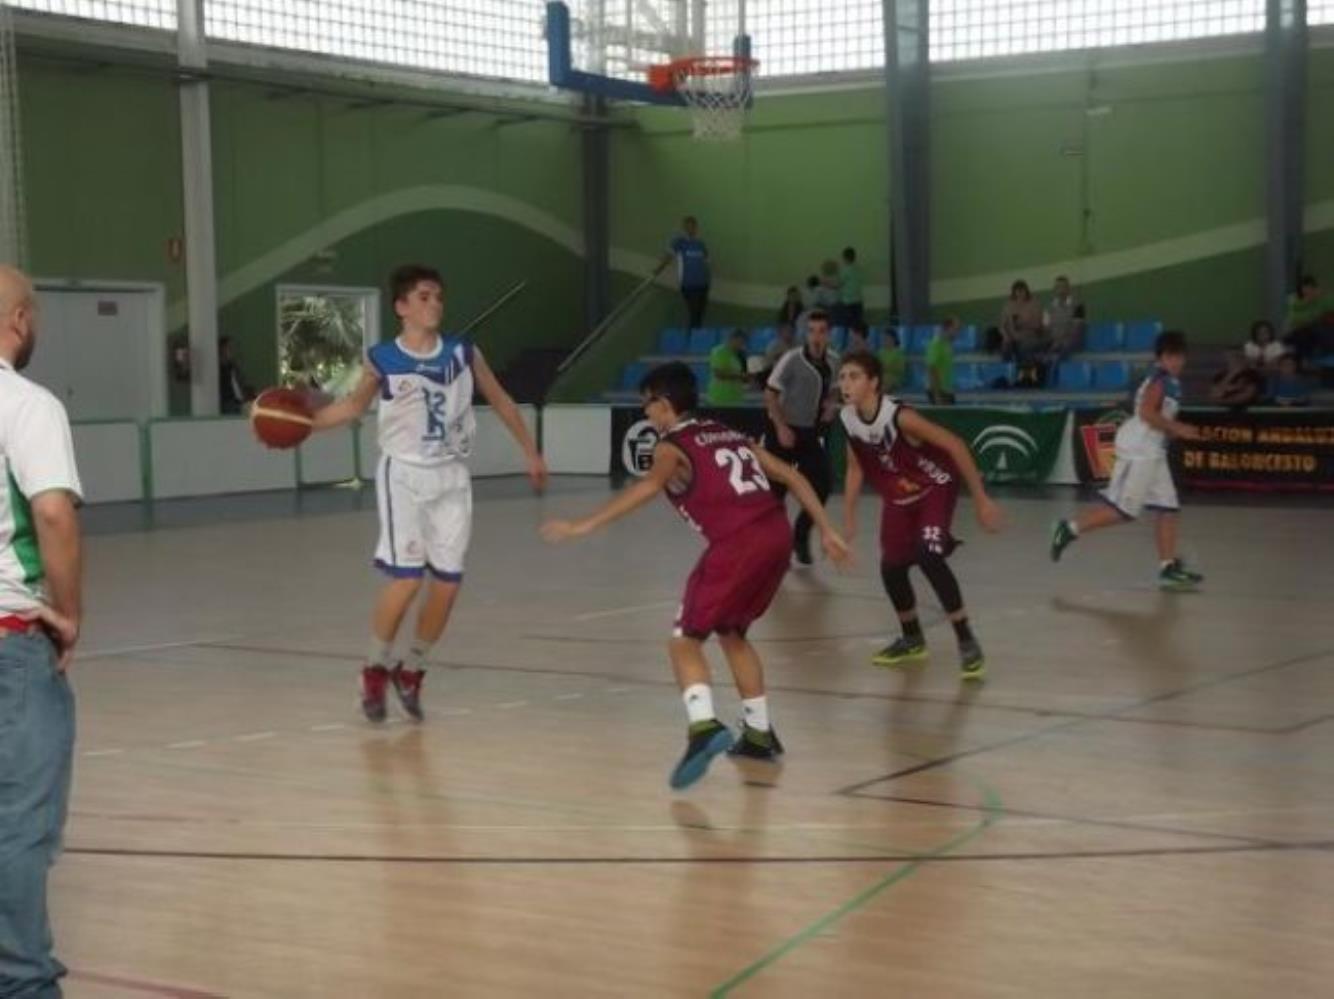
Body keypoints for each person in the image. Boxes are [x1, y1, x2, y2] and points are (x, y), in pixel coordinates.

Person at [540, 362, 850, 788]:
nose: (645, 411)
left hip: (738, 542)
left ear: (664, 405)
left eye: (647, 403)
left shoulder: (671, 447)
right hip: (775, 535)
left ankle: (703, 727)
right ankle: (758, 733)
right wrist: (826, 530)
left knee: (684, 640)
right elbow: (791, 475)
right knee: (732, 633)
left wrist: (583, 525)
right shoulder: (726, 433)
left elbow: (649, 487)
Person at [309, 264, 547, 722]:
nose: (434, 303)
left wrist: (531, 451)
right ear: (401, 307)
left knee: (449, 584)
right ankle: (374, 668)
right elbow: (353, 408)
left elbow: (499, 398)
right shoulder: (383, 358)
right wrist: (305, 424)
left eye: (438, 296)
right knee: (407, 578)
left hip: (451, 476)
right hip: (404, 475)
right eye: (423, 297)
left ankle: (412, 669)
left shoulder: (463, 352)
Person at [0, 265, 82, 998]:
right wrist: (68, 609)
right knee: (21, 820)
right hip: (7, 637)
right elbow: (52, 512)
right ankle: (23, 983)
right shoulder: (24, 403)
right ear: (20, 319)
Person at [839, 352, 1001, 680]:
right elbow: (855, 467)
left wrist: (981, 498)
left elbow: (955, 445)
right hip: (899, 496)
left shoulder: (900, 417)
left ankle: (966, 639)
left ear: (874, 383)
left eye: (854, 376)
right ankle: (912, 638)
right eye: (842, 376)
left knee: (928, 556)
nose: (845, 383)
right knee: (891, 567)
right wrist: (849, 516)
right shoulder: (848, 418)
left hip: (933, 488)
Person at [1050, 330, 1205, 590]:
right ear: (1160, 358)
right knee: (1125, 512)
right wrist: (1176, 428)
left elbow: (1157, 417)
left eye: (1179, 356)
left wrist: (1170, 431)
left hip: (1155, 452)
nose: (1176, 361)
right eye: (1170, 357)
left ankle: (1167, 568)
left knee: (1169, 507)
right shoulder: (1160, 380)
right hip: (1139, 450)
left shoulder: (1173, 383)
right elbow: (1146, 413)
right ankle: (1068, 529)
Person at [765, 310, 840, 566]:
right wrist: (781, 427)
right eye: (811, 330)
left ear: (829, 333)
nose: (816, 336)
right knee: (776, 492)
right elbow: (770, 394)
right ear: (805, 333)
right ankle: (776, 548)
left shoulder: (834, 361)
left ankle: (800, 535)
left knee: (823, 484)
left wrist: (832, 405)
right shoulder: (791, 359)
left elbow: (835, 393)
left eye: (821, 330)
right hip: (783, 430)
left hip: (810, 434)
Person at [665, 215, 711, 329]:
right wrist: (657, 269)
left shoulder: (701, 244)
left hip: (703, 284)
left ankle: (697, 336)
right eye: (688, 226)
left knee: (700, 314)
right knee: (694, 314)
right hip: (688, 285)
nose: (691, 229)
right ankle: (692, 337)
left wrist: (708, 279)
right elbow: (669, 256)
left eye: (693, 226)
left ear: (696, 228)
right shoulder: (679, 243)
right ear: (684, 228)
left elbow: (706, 262)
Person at [1282, 274, 1334, 366]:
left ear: (1315, 288)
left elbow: (1330, 308)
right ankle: (1305, 361)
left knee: (1324, 330)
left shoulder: (1324, 299)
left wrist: (1322, 297)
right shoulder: (1296, 303)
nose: (1308, 291)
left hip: (1320, 329)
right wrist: (1309, 305)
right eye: (1305, 289)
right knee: (1302, 334)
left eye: (1310, 288)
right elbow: (1295, 319)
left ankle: (1324, 356)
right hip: (1301, 330)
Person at [1044, 276, 1086, 360]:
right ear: (1055, 289)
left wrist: (1060, 341)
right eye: (1058, 287)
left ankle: (1055, 366)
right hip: (1054, 341)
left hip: (1070, 341)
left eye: (1063, 287)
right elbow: (1046, 327)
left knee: (1062, 347)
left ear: (1068, 288)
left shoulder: (1078, 306)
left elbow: (1077, 329)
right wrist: (1052, 340)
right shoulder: (1049, 307)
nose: (1061, 290)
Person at [706, 329, 749, 406]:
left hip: (737, 399)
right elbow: (719, 374)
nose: (741, 345)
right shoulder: (719, 352)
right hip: (719, 399)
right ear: (731, 339)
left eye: (742, 343)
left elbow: (744, 374)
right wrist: (740, 376)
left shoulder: (741, 354)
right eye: (739, 342)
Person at [925, 318, 959, 405]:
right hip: (939, 391)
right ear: (948, 328)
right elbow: (931, 369)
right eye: (956, 329)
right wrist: (937, 395)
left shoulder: (947, 344)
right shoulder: (935, 344)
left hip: (947, 390)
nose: (958, 333)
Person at [218, 335, 255, 414]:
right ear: (222, 349)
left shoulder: (233, 366)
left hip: (239, 401)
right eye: (228, 348)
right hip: (228, 403)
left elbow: (241, 383)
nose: (232, 350)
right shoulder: (219, 368)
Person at [836, 246, 865, 328]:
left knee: (848, 326)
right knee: (858, 326)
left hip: (848, 302)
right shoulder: (859, 269)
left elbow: (838, 285)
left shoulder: (845, 270)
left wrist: (825, 283)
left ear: (845, 258)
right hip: (858, 301)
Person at [877, 327, 907, 393]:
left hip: (895, 378)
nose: (884, 340)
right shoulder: (880, 352)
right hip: (882, 376)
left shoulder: (898, 352)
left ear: (893, 339)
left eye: (886, 338)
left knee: (886, 380)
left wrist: (887, 366)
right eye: (884, 339)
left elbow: (901, 368)